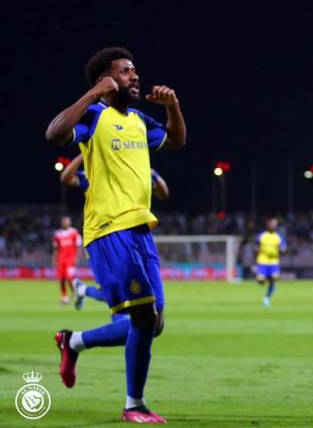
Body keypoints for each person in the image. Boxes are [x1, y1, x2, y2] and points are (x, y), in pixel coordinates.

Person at [46, 46, 186, 423]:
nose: (135, 76)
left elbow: (175, 141)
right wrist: (93, 94)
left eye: (134, 70)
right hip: (110, 230)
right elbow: (55, 133)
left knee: (153, 324)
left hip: (141, 229)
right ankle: (133, 404)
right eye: (125, 72)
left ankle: (73, 341)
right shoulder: (94, 114)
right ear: (106, 80)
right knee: (142, 319)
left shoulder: (139, 119)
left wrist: (172, 105)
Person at [60, 153, 170, 311]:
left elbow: (164, 193)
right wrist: (85, 153)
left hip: (131, 234)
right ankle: (85, 297)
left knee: (133, 292)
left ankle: (83, 291)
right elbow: (66, 177)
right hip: (102, 237)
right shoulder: (90, 176)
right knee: (117, 294)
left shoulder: (133, 172)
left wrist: (154, 174)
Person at [255, 218, 286, 307]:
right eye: (271, 224)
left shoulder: (278, 237)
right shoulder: (262, 236)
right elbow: (257, 245)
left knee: (274, 278)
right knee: (261, 280)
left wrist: (282, 250)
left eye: (274, 225)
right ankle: (264, 281)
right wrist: (257, 250)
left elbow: (283, 247)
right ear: (268, 225)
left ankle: (267, 298)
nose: (272, 226)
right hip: (263, 260)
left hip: (273, 261)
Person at [52, 216, 82, 305]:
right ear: (62, 223)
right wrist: (54, 259)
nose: (66, 223)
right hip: (61, 260)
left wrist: (77, 257)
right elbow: (55, 248)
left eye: (67, 222)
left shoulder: (74, 232)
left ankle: (74, 292)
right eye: (65, 222)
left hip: (70, 259)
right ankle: (64, 297)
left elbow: (78, 245)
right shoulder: (57, 234)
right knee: (61, 279)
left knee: (69, 277)